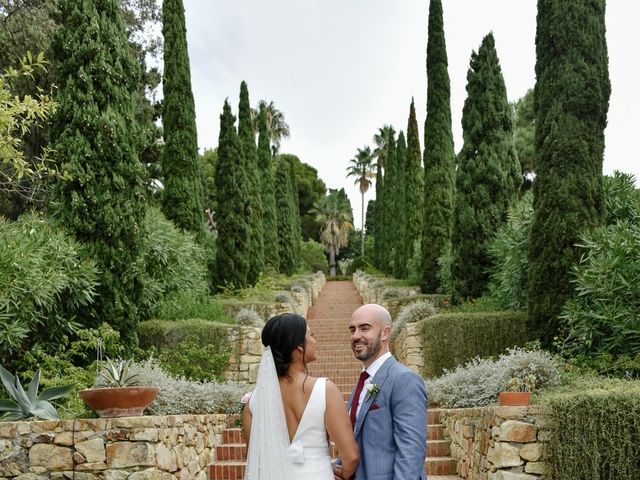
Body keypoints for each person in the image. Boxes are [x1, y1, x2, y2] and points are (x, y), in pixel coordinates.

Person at [243, 313, 359, 480]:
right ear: (299, 346)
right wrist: (343, 474)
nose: (314, 340)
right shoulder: (325, 390)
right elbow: (351, 456)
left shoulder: (252, 402)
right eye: (311, 335)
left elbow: (255, 458)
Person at [334, 303, 427, 480]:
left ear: (385, 333)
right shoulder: (362, 384)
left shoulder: (404, 380)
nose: (356, 336)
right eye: (352, 330)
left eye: (364, 328)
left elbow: (411, 452)